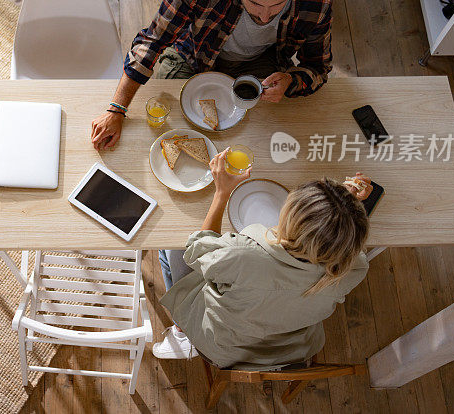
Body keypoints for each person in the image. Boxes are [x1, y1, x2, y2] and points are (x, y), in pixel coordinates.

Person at [91, 0, 333, 150]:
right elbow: (155, 37)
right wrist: (117, 109)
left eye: (277, 5)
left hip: (260, 66)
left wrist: (291, 80)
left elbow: (319, 68)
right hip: (193, 53)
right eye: (255, 3)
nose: (264, 17)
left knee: (254, 139)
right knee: (165, 129)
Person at [152, 151, 372, 368]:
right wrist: (344, 205)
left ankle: (182, 331)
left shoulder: (243, 255)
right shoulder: (355, 268)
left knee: (169, 248)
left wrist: (222, 193)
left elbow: (197, 248)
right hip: (287, 348)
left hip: (221, 348)